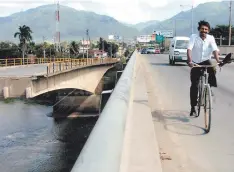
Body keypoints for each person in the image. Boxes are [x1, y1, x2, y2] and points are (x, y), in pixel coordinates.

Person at [187, 20, 221, 116]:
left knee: (213, 72)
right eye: (202, 29)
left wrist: (218, 61)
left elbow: (214, 49)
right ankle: (193, 107)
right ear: (199, 29)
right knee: (194, 85)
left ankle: (209, 90)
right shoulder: (193, 37)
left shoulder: (211, 38)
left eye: (206, 29)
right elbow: (189, 48)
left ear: (208, 31)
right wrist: (190, 60)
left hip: (206, 60)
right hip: (195, 62)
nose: (204, 31)